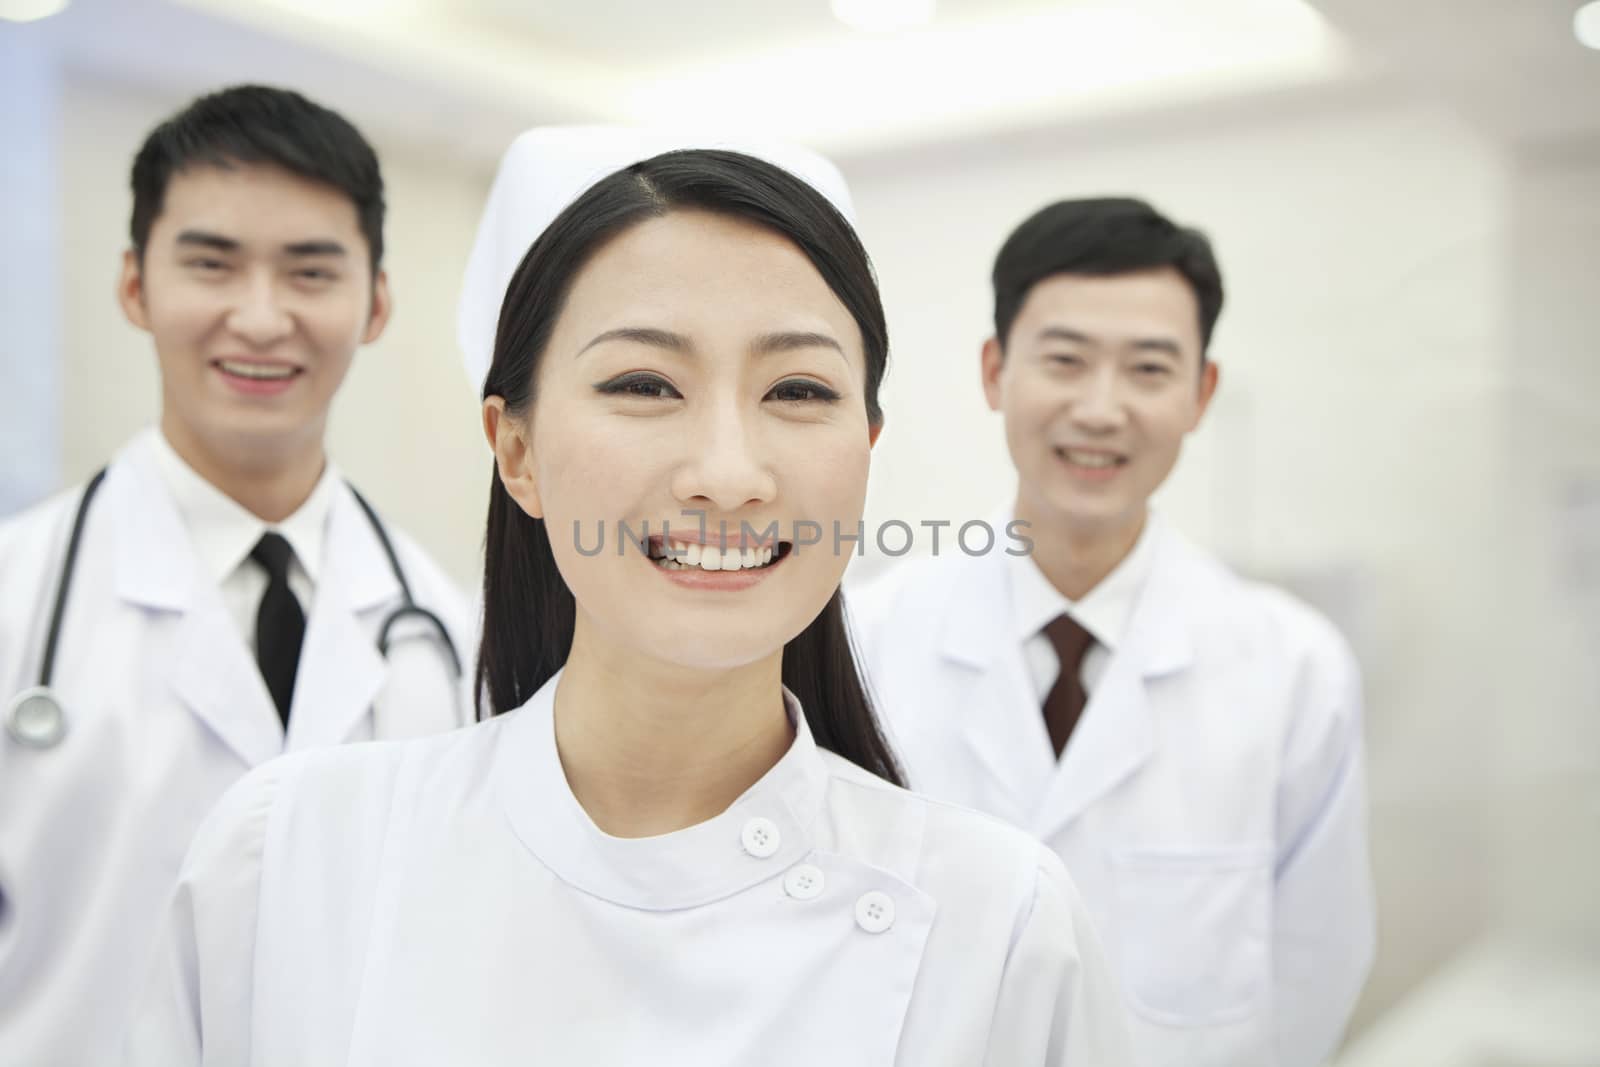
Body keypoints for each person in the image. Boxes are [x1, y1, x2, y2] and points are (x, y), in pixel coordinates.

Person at [124, 128, 1135, 1065]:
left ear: (865, 450)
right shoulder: (288, 853)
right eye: (645, 384)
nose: (730, 472)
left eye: (798, 391)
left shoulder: (1001, 924)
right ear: (515, 450)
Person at [0, 85, 472, 1065]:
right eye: (211, 264)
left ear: (375, 301)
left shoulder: (443, 625)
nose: (260, 318)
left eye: (310, 271)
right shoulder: (17, 595)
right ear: (134, 286)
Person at [849, 197, 1375, 1067]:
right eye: (1064, 359)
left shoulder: (1293, 669)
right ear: (994, 371)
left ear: (1201, 393)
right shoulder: (864, 637)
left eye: (1148, 368)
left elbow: (1316, 972)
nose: (1101, 409)